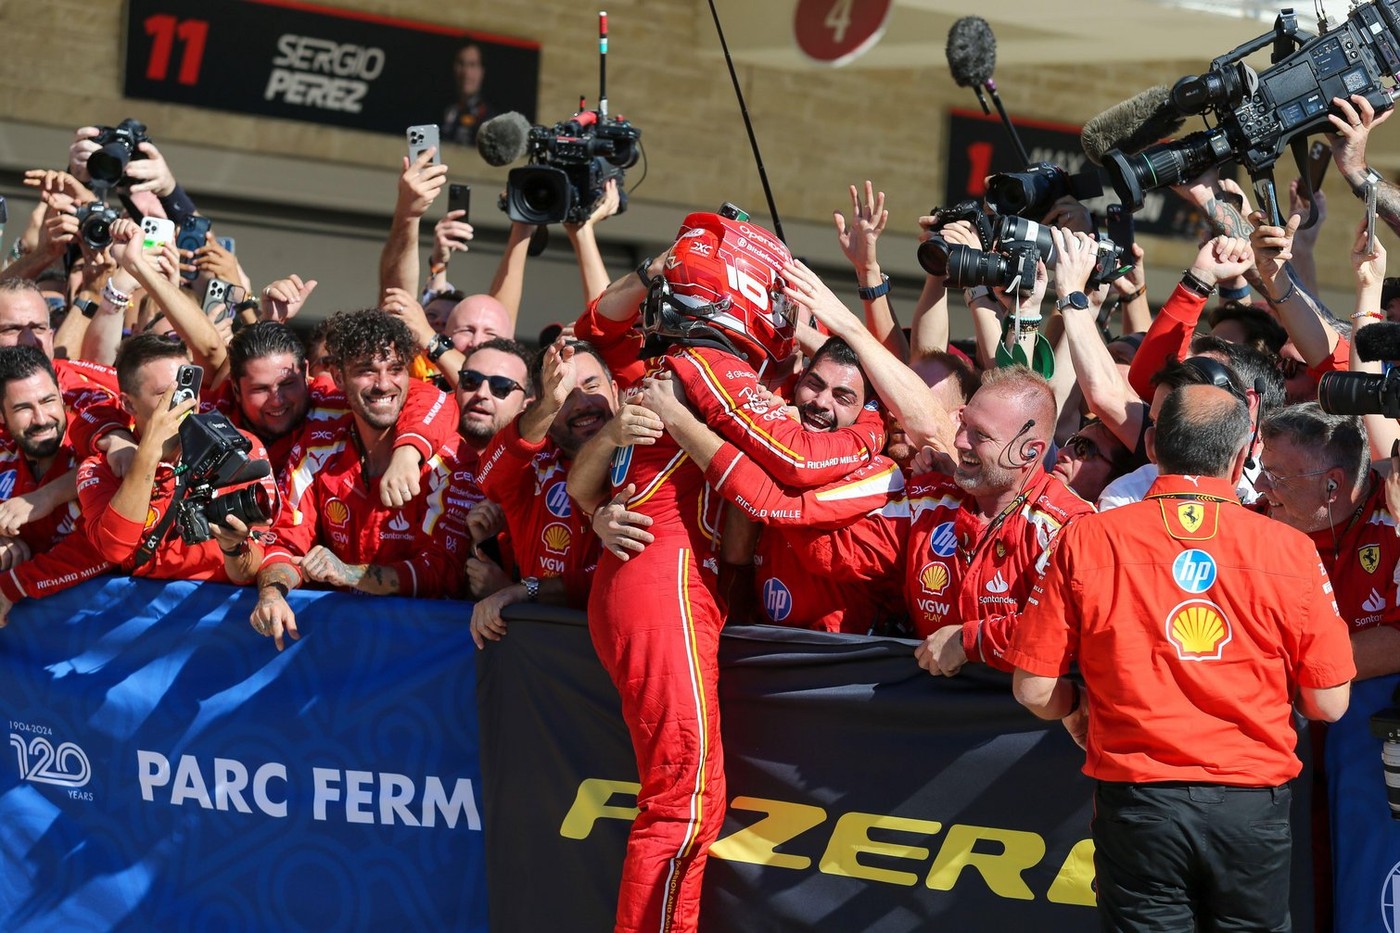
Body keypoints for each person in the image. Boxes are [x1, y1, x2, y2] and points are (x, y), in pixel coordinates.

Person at [566, 213, 885, 933]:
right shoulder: (709, 363)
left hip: (671, 581)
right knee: (681, 803)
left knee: (694, 798)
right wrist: (874, 427)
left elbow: (601, 324)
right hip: (664, 580)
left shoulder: (690, 361)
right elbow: (805, 460)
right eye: (774, 293)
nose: (782, 311)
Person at [1008, 383, 1354, 931]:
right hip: (1251, 805)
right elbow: (1330, 703)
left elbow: (1031, 688)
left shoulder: (1087, 539)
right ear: (1243, 455)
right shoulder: (1292, 549)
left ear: (1151, 447)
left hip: (1139, 800)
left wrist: (1077, 711)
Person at [251, 310, 468, 649]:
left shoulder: (446, 456)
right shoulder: (320, 439)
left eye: (395, 369)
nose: (383, 384)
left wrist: (351, 573)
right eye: (366, 370)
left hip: (427, 657)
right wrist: (272, 593)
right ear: (337, 375)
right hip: (339, 654)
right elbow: (285, 542)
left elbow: (446, 571)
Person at [76, 334, 273, 582]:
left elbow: (254, 566)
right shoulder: (102, 467)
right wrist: (148, 455)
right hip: (145, 615)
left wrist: (233, 548)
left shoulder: (241, 446)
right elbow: (114, 549)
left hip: (224, 613)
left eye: (188, 389)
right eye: (165, 393)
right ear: (128, 404)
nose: (185, 402)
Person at [471, 339, 614, 643]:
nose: (581, 404)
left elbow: (620, 575)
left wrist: (525, 590)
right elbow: (489, 479)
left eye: (592, 386)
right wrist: (548, 405)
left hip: (618, 641)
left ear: (615, 391)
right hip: (540, 646)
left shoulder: (651, 458)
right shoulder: (533, 465)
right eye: (563, 397)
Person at [0, 346, 113, 623]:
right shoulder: (5, 453)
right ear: (2, 417)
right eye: (23, 408)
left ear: (62, 397)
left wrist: (13, 585)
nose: (41, 419)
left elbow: (108, 545)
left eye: (48, 401)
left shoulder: (97, 441)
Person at [442, 41, 493, 147]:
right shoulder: (442, 110)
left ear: (482, 71)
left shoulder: (491, 119)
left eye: (472, 65)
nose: (466, 73)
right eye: (461, 64)